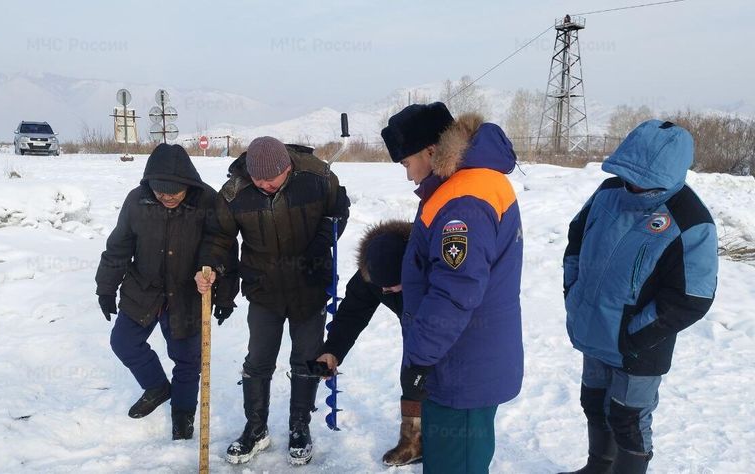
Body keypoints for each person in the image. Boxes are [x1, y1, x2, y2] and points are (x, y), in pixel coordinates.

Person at [561, 120, 718, 474]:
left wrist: (634, 333)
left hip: (638, 347)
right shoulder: (608, 192)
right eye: (628, 173)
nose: (631, 184)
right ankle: (597, 467)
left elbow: (692, 297)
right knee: (593, 403)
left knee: (627, 419)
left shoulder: (691, 221)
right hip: (594, 329)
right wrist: (573, 293)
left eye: (642, 178)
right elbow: (575, 241)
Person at [195, 136, 350, 466]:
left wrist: (320, 245)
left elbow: (339, 211)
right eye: (258, 179)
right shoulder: (235, 192)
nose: (264, 185)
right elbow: (219, 238)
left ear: (288, 167)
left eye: (271, 178)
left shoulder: (318, 179)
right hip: (263, 287)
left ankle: (299, 427)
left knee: (308, 357)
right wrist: (213, 267)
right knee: (258, 359)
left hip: (309, 284)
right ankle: (255, 429)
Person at [399, 112, 524, 473]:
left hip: (461, 367)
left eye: (407, 163)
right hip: (463, 358)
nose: (408, 174)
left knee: (456, 464)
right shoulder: (470, 184)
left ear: (430, 151)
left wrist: (419, 359)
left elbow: (457, 290)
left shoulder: (463, 199)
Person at [94, 143, 237, 440]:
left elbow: (223, 247)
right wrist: (106, 288)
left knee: (187, 360)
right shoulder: (137, 201)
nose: (168, 197)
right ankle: (157, 387)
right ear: (150, 186)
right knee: (123, 342)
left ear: (189, 184)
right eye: (161, 192)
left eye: (174, 192)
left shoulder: (208, 201)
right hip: (143, 289)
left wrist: (224, 295)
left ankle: (183, 413)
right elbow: (119, 246)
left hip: (188, 294)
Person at [314, 220, 417, 466]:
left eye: (393, 284)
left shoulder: (429, 263)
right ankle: (414, 442)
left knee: (442, 384)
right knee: (412, 377)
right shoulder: (372, 274)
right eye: (383, 286)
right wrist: (333, 350)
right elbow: (353, 312)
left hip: (454, 330)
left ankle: (448, 442)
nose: (388, 290)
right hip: (414, 329)